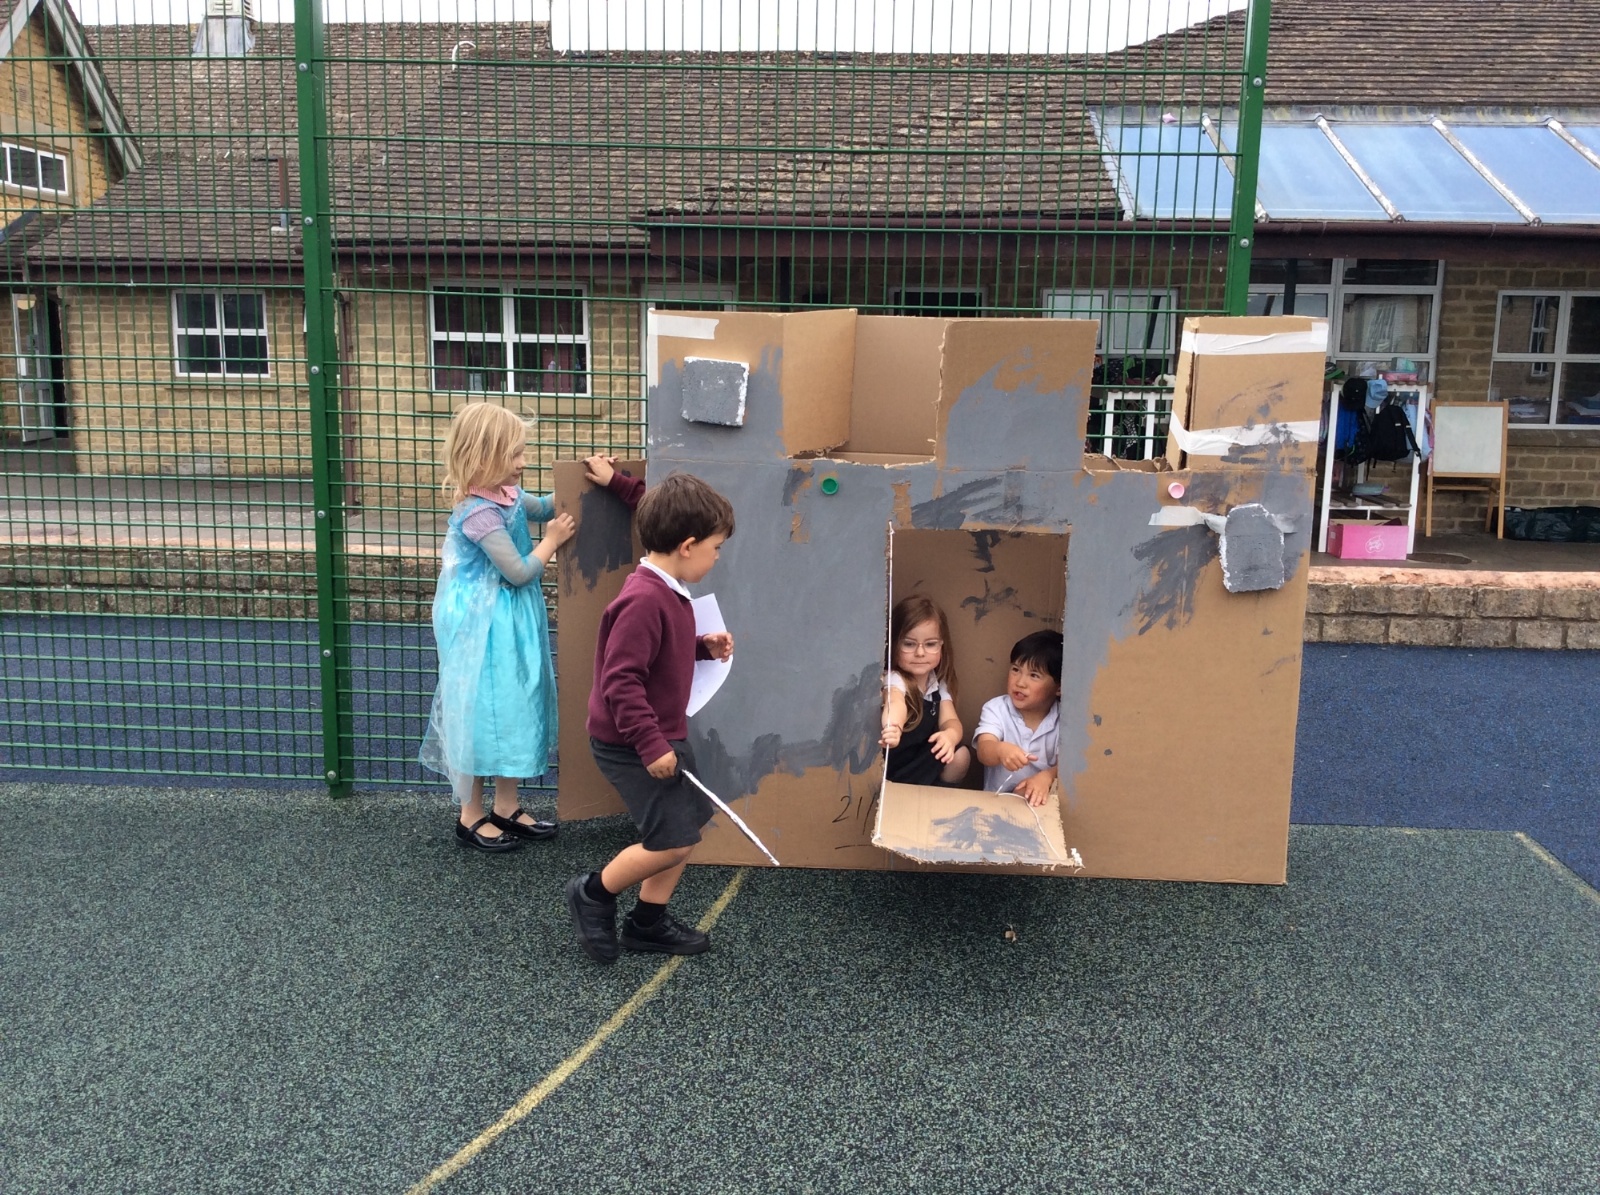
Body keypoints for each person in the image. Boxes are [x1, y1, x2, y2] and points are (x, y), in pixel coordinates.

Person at [565, 472, 736, 964]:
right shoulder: (644, 599)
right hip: (633, 742)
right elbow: (620, 681)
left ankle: (647, 921)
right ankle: (593, 893)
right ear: (688, 546)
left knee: (685, 829)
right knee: (671, 841)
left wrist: (701, 647)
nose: (717, 557)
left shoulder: (668, 589)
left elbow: (659, 654)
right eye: (716, 547)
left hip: (658, 734)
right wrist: (651, 745)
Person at [419, 402, 576, 852]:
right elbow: (518, 571)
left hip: (508, 619)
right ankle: (470, 814)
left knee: (513, 705)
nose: (523, 462)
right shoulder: (477, 513)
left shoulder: (506, 493)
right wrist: (552, 541)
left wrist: (582, 481)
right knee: (478, 710)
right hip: (483, 623)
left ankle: (506, 805)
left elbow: (542, 506)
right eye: (514, 455)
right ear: (483, 457)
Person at [879, 594, 972, 786]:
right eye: (909, 644)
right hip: (895, 766)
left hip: (921, 764)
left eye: (930, 644)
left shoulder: (937, 684)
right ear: (894, 643)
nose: (920, 653)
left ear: (941, 645)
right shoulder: (895, 678)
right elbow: (895, 701)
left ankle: (938, 797)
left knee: (961, 755)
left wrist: (950, 735)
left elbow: (950, 720)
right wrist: (893, 726)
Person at [973, 630, 1063, 807]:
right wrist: (999, 750)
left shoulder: (1065, 720)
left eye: (1034, 675)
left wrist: (1047, 776)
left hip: (1040, 806)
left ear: (1059, 688)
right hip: (995, 803)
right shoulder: (996, 708)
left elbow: (1068, 767)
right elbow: (984, 750)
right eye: (1016, 670)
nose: (1020, 682)